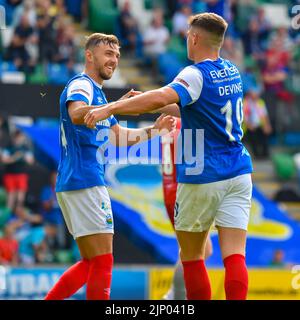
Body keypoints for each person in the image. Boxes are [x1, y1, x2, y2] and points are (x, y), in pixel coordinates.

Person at [85, 13, 253, 300]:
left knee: (191, 256)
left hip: (204, 174)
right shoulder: (232, 72)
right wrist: (147, 102)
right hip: (239, 172)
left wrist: (109, 108)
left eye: (188, 35)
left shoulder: (194, 73)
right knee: (235, 256)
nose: (186, 39)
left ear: (196, 38)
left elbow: (164, 97)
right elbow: (193, 107)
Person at [45, 33, 175, 300]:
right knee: (103, 262)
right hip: (86, 180)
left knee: (92, 262)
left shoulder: (100, 97)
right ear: (89, 55)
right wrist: (116, 107)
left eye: (117, 55)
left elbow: (118, 138)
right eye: (108, 54)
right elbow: (77, 113)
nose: (114, 60)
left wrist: (154, 130)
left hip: (76, 182)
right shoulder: (82, 85)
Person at [161, 118, 213, 300]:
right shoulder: (188, 124)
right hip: (183, 192)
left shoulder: (170, 124)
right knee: (196, 252)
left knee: (197, 250)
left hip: (169, 190)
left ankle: (175, 295)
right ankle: (174, 295)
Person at [1, 130, 34, 212]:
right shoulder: (9, 147)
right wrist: (15, 157)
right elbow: (4, 160)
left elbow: (31, 161)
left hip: (21, 175)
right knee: (11, 196)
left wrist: (25, 158)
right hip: (10, 174)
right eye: (18, 137)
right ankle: (8, 215)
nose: (19, 139)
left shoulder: (25, 148)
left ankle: (19, 214)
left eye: (21, 137)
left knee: (20, 197)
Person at [243, 89, 272, 159]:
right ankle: (256, 155)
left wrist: (267, 125)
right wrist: (249, 125)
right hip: (248, 126)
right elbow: (243, 117)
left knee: (264, 135)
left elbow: (265, 115)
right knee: (253, 136)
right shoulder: (245, 103)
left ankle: (265, 154)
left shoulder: (260, 102)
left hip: (259, 125)